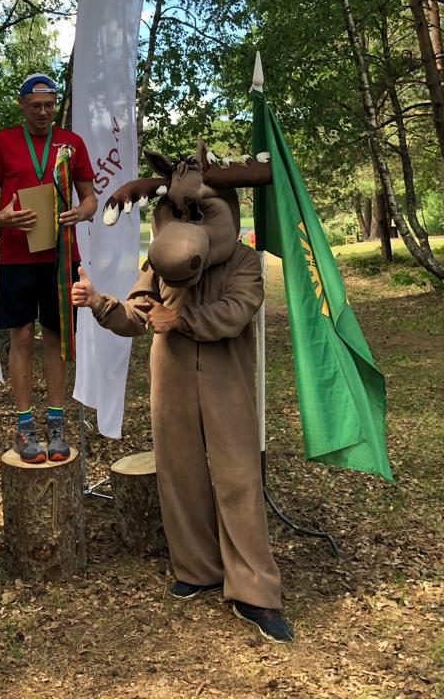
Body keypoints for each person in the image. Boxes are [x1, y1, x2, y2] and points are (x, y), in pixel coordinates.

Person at [71, 146, 295, 644]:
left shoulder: (244, 261)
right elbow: (136, 315)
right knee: (179, 471)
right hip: (171, 377)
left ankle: (255, 590)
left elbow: (237, 311)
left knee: (237, 477)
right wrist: (100, 303)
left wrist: (182, 319)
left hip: (226, 380)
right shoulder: (159, 267)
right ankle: (197, 566)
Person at [0, 73, 97, 463]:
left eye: (49, 105)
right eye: (35, 106)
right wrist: (1, 217)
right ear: (22, 105)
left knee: (57, 337)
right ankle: (24, 424)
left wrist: (81, 212)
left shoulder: (72, 143)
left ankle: (57, 423)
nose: (43, 112)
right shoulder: (2, 142)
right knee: (22, 336)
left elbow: (90, 197)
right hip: (17, 256)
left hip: (61, 254)